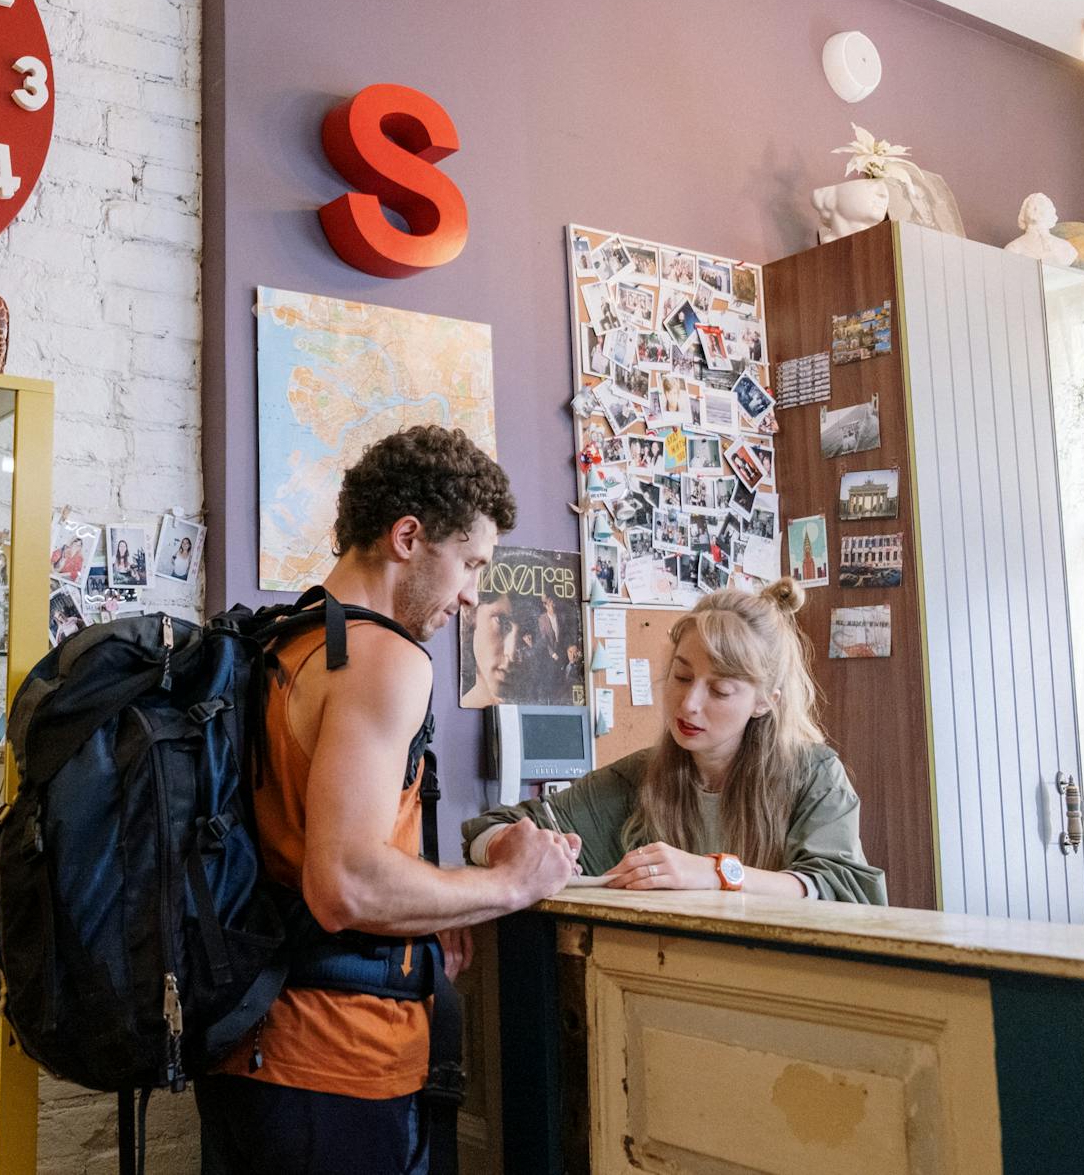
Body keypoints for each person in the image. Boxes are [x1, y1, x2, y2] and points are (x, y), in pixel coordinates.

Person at [197, 424, 578, 1175]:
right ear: (408, 536)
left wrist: (440, 908)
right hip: (337, 1061)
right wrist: (506, 885)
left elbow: (302, 849)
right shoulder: (385, 659)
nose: (472, 593)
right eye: (469, 561)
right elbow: (344, 882)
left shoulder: (284, 640)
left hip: (249, 1049)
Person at [461, 580, 885, 903]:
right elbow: (486, 828)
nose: (689, 703)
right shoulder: (636, 779)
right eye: (681, 677)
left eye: (719, 690)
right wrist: (515, 848)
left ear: (764, 702)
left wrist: (715, 874)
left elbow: (844, 890)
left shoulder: (814, 775)